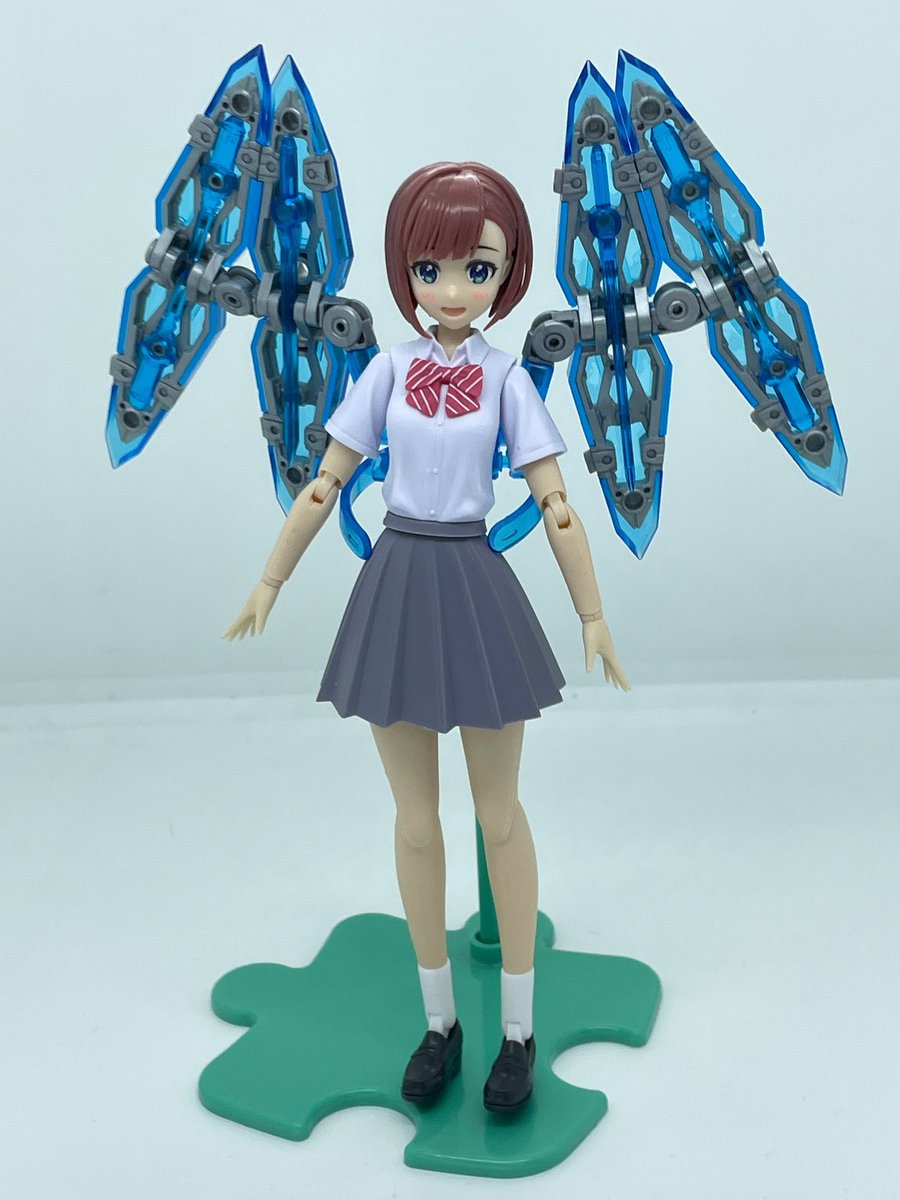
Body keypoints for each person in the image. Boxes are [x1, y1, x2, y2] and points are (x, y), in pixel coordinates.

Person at [225, 161, 629, 1113]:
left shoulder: (507, 380)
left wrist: (592, 613)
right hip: (398, 583)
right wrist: (271, 578)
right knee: (415, 820)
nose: (452, 290)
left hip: (474, 583)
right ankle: (439, 1021)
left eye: (476, 270)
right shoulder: (388, 371)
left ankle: (518, 1031)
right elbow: (324, 483)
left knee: (499, 815)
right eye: (431, 268)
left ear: (506, 275)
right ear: (404, 269)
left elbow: (557, 505)